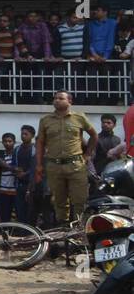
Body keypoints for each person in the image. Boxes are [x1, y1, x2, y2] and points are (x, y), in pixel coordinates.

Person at [35, 91, 97, 228]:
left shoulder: (79, 117)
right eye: (55, 98)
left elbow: (94, 135)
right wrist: (39, 164)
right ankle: (62, 230)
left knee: (79, 200)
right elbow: (40, 142)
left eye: (60, 98)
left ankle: (80, 229)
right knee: (59, 201)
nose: (56, 100)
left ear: (70, 101)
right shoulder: (45, 120)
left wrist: (87, 155)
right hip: (54, 166)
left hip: (75, 165)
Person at [0, 132, 18, 224]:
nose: (7, 143)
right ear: (2, 142)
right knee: (4, 216)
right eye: (5, 141)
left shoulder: (18, 155)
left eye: (10, 141)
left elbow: (19, 170)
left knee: (18, 216)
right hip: (3, 190)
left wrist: (6, 166)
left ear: (14, 142)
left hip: (16, 190)